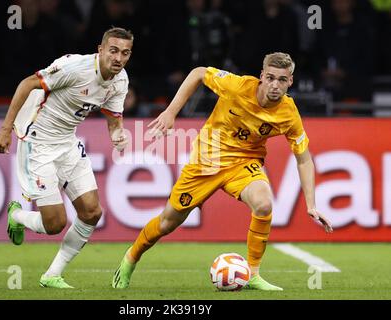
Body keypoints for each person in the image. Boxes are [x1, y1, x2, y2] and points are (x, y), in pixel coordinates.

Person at [112, 52, 333, 291]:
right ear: (261, 76)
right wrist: (170, 112)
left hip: (244, 163)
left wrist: (311, 204)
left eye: (281, 80)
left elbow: (304, 159)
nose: (275, 85)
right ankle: (130, 259)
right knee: (167, 223)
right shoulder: (237, 86)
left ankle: (252, 274)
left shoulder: (288, 113)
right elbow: (198, 73)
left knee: (264, 204)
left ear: (290, 81)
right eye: (270, 78)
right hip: (207, 161)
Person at [0, 27, 133, 288]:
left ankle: (52, 275)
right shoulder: (75, 68)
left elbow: (114, 121)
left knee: (91, 212)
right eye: (113, 51)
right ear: (100, 50)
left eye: (125, 53)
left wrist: (117, 135)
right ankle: (17, 216)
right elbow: (27, 83)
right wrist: (6, 129)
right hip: (38, 142)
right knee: (55, 223)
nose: (119, 58)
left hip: (67, 142)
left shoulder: (120, 80)